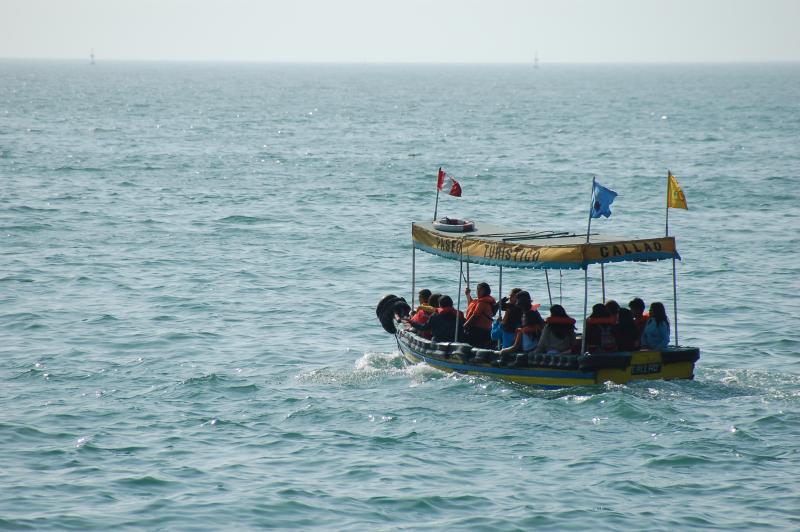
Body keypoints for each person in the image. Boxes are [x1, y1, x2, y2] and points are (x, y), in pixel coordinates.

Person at [464, 282, 497, 348]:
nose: (478, 292)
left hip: (479, 331)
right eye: (477, 290)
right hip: (485, 330)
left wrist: (465, 326)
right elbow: (472, 305)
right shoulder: (483, 301)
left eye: (480, 290)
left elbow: (475, 315)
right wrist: (468, 295)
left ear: (485, 291)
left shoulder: (483, 302)